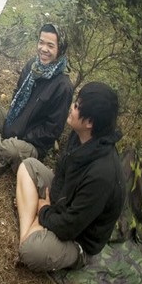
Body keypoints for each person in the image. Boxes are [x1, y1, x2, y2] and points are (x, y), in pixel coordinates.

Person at [14, 82, 124, 272]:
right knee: (28, 166)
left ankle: (32, 239)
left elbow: (69, 228)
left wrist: (44, 211)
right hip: (62, 206)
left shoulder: (102, 175)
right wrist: (48, 211)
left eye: (77, 106)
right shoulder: (80, 136)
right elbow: (59, 178)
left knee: (33, 251)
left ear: (90, 122)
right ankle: (27, 234)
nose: (72, 108)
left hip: (78, 239)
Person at [0, 23, 73, 180]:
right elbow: (16, 95)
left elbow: (51, 130)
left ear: (60, 49)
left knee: (11, 148)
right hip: (13, 122)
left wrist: (21, 136)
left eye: (50, 45)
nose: (43, 49)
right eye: (41, 42)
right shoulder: (32, 66)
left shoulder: (63, 86)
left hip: (31, 143)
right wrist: (12, 126)